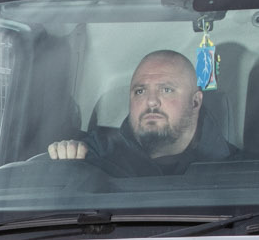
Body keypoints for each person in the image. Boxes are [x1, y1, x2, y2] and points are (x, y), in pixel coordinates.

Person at [46, 49, 236, 176]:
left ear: (195, 102)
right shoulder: (95, 155)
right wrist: (65, 156)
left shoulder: (237, 171)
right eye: (140, 91)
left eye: (166, 90)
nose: (151, 101)